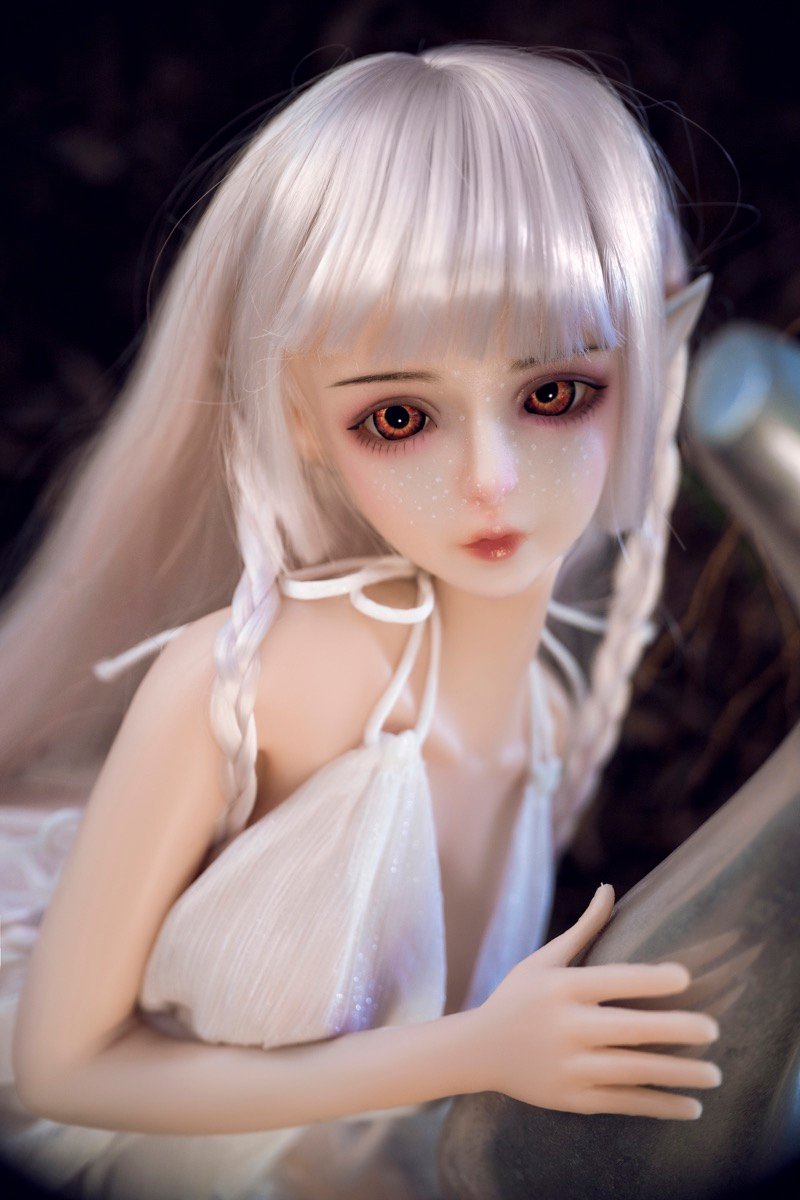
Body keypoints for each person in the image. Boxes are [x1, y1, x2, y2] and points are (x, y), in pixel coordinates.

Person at [0, 43, 720, 1199]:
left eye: (552, 394)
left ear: (655, 361)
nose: (488, 479)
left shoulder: (547, 719)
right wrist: (478, 1053)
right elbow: (61, 1069)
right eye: (398, 417)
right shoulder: (258, 683)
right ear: (303, 421)